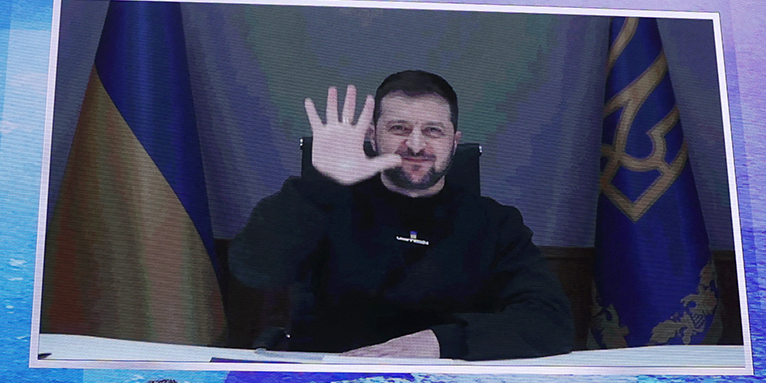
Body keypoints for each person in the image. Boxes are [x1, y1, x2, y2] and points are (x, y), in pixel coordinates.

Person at [228, 71, 574, 360]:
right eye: (398, 128)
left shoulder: (495, 224)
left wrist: (439, 343)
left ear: (454, 142)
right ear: (372, 137)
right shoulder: (323, 201)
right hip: (333, 380)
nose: (416, 144)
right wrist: (323, 182)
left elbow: (550, 322)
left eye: (433, 131)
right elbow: (252, 268)